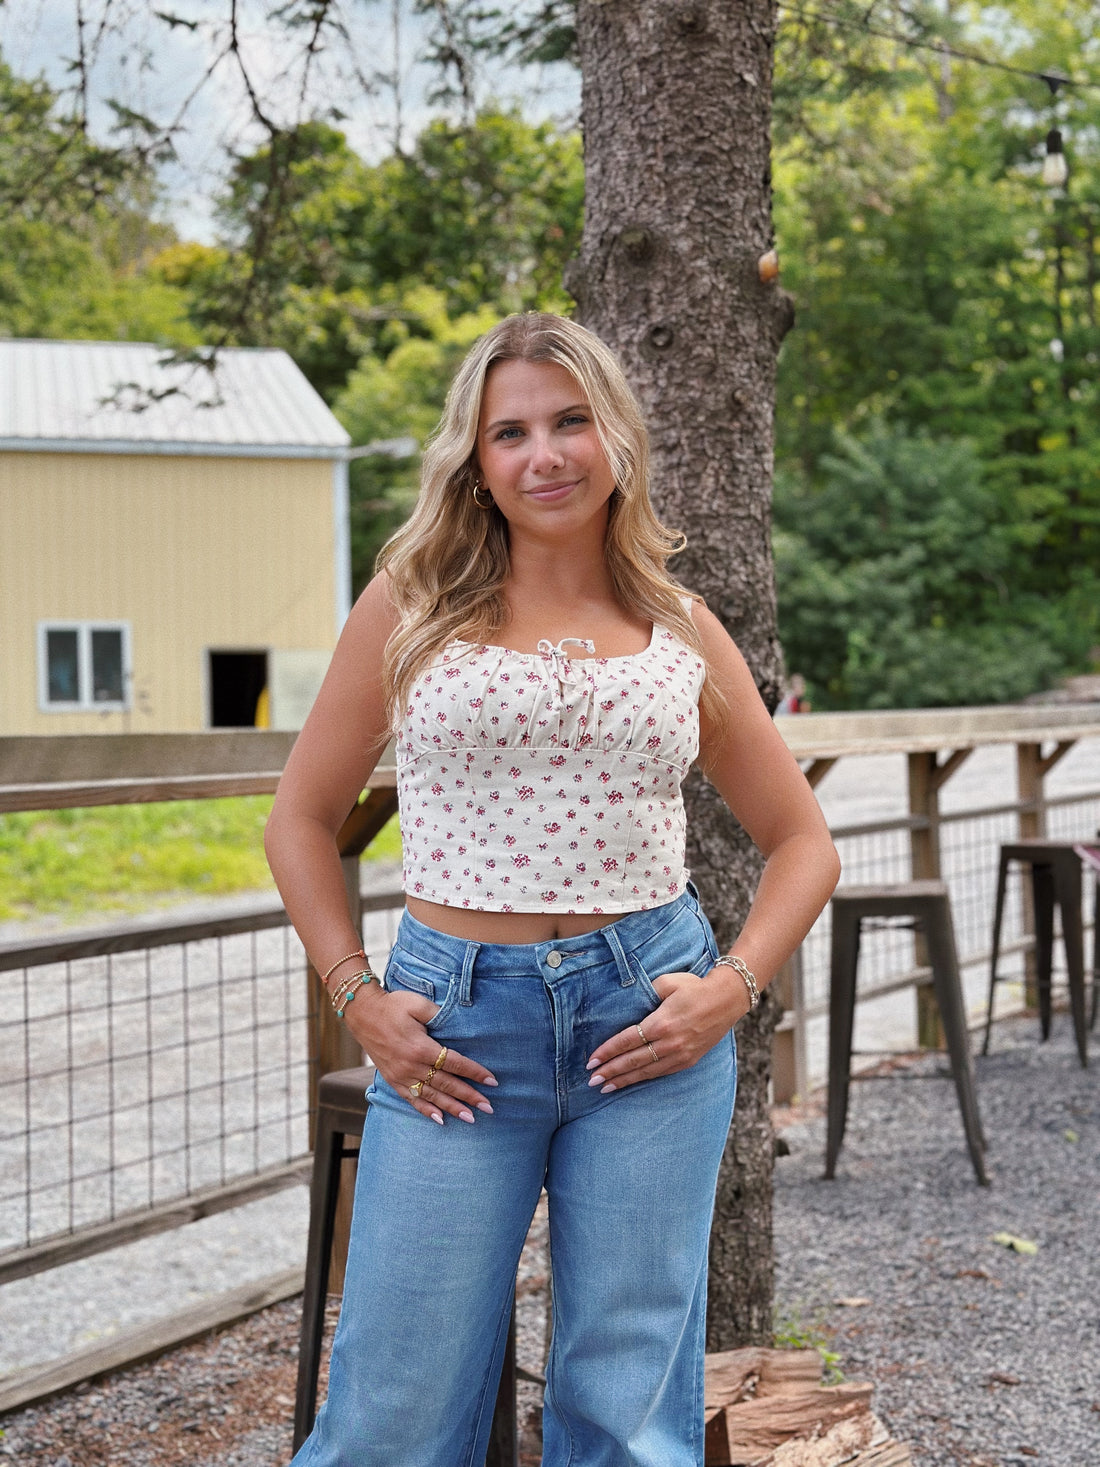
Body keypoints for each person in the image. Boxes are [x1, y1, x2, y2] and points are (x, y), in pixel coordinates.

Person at [264, 313, 840, 1467]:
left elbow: (802, 843)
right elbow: (299, 821)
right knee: (391, 1405)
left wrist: (730, 991)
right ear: (474, 462)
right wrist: (357, 997)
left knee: (625, 1409)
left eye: (570, 421)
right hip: (454, 1029)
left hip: (648, 1026)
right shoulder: (411, 606)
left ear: (615, 436)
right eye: (510, 432)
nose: (545, 455)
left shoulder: (679, 628)